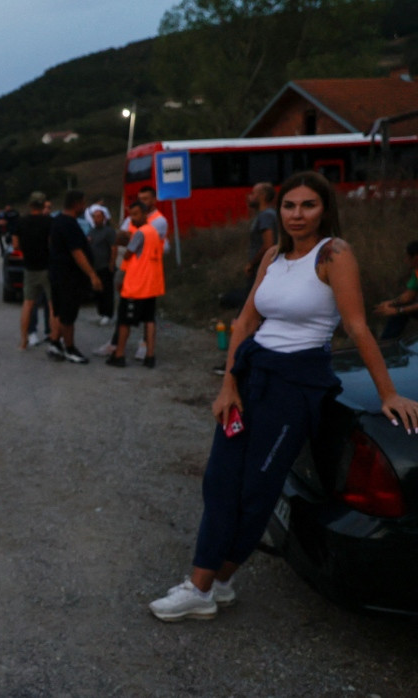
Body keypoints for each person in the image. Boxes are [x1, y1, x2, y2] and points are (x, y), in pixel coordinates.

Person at [147, 172, 418, 622]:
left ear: (324, 209)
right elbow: (243, 324)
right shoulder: (274, 253)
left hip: (296, 387)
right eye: (289, 205)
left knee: (259, 490)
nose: (296, 215)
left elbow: (356, 326)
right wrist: (228, 384)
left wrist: (387, 392)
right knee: (220, 482)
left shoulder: (334, 254)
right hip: (253, 376)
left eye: (307, 205)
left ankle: (210, 583)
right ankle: (207, 584)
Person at [45, 190, 102, 364]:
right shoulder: (69, 224)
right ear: (76, 204)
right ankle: (70, 349)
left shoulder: (57, 222)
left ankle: (54, 342)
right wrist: (92, 275)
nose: (84, 207)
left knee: (60, 311)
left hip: (56, 273)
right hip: (68, 276)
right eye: (83, 203)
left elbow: (51, 243)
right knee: (68, 315)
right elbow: (77, 252)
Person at [106, 202, 164, 369]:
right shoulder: (154, 232)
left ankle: (119, 355)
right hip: (151, 284)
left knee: (124, 321)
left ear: (145, 213)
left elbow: (129, 254)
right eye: (131, 215)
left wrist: (124, 242)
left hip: (136, 285)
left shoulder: (140, 233)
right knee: (149, 320)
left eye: (136, 214)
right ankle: (150, 356)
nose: (133, 218)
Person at [13, 193, 54, 350]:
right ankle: (53, 338)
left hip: (30, 268)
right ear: (44, 205)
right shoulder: (50, 222)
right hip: (47, 267)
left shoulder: (21, 222)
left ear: (30, 205)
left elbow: (16, 245)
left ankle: (24, 341)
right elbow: (53, 243)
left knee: (28, 304)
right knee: (52, 305)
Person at [373, 240, 418, 341]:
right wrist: (391, 303)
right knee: (399, 310)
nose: (405, 260)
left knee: (400, 311)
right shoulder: (416, 272)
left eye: (407, 257)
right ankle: (386, 344)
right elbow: (408, 296)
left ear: (416, 257)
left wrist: (398, 311)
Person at [85, 204, 116, 325]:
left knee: (107, 291)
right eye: (95, 217)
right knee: (97, 291)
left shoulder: (108, 231)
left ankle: (108, 313)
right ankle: (101, 312)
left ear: (104, 218)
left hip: (105, 266)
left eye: (99, 217)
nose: (96, 219)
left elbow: (113, 248)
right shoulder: (91, 231)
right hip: (94, 266)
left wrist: (112, 263)